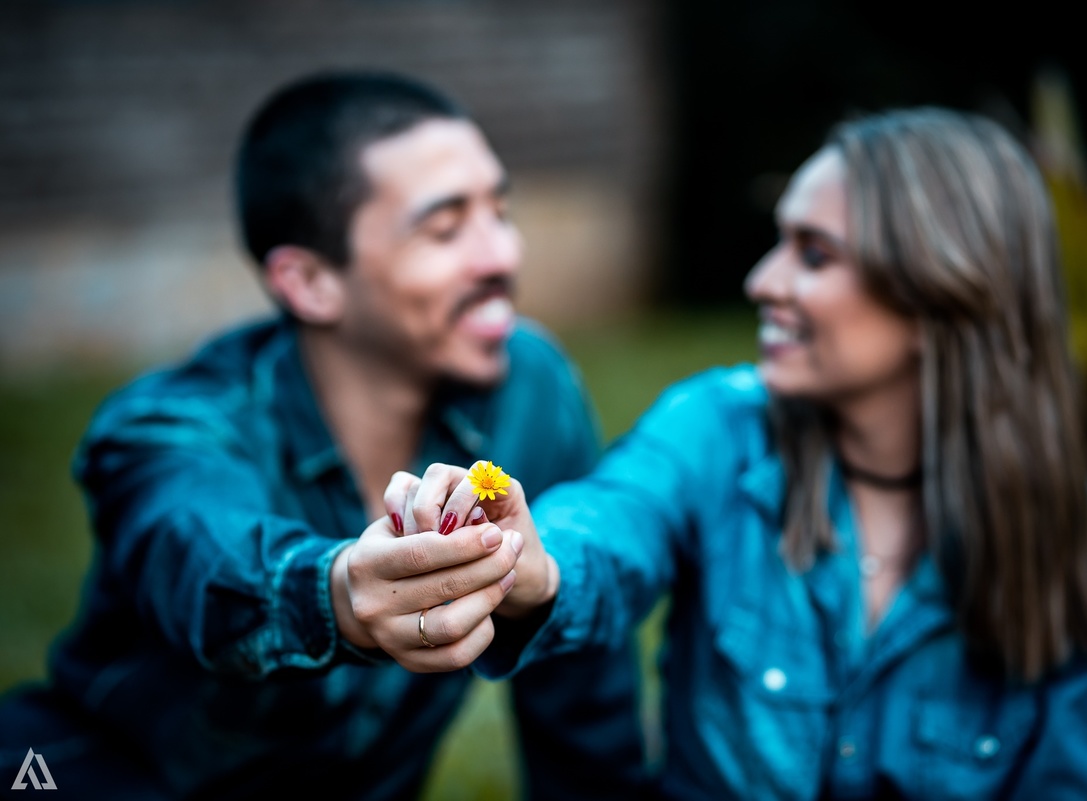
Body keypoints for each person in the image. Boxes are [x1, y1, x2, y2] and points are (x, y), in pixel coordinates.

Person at [401, 108, 1087, 799]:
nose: (763, 282)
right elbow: (616, 518)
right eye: (780, 243)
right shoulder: (718, 431)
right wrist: (537, 563)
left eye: (815, 255)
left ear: (941, 293)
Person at [0, 71, 646, 799]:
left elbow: (579, 697)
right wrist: (338, 593)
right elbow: (200, 557)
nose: (502, 255)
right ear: (308, 282)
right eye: (445, 229)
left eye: (500, 211)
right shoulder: (169, 426)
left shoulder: (530, 386)